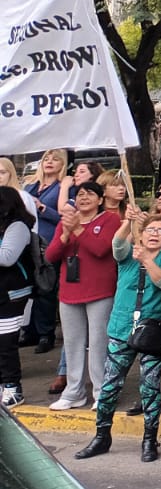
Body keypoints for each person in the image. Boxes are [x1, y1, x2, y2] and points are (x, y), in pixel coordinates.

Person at [76, 209, 161, 463]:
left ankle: (149, 440)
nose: (155, 234)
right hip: (122, 327)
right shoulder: (128, 255)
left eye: (160, 231)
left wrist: (147, 259)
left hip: (152, 330)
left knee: (149, 387)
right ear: (141, 235)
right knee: (110, 386)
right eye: (150, 230)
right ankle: (101, 436)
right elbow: (117, 244)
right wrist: (128, 222)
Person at [45, 179, 120, 411]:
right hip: (69, 292)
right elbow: (50, 256)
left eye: (89, 194)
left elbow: (100, 249)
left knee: (98, 343)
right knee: (72, 344)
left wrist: (77, 228)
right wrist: (65, 234)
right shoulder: (66, 221)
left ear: (100, 199)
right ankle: (74, 392)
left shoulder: (110, 219)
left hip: (100, 291)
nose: (83, 197)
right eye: (79, 194)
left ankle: (101, 392)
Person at [23, 149, 67, 354]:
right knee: (31, 288)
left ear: (62, 164)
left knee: (46, 289)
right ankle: (30, 330)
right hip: (27, 243)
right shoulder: (31, 186)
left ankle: (45, 333)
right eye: (46, 159)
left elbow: (64, 217)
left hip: (47, 243)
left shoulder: (63, 187)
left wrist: (41, 208)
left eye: (55, 159)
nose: (49, 162)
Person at [0, 187, 37, 407]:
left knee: (6, 343)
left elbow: (7, 257)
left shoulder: (18, 227)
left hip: (12, 294)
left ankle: (14, 388)